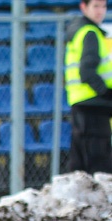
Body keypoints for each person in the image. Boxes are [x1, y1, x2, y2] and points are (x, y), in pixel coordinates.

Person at [65, 0, 112, 175]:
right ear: (84, 7)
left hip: (82, 101)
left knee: (80, 164)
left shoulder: (80, 31)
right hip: (94, 103)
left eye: (104, 6)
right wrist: (107, 93)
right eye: (96, 6)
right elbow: (87, 71)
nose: (101, 11)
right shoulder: (90, 33)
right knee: (99, 163)